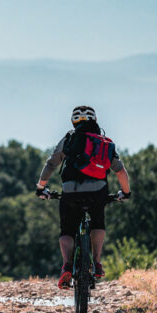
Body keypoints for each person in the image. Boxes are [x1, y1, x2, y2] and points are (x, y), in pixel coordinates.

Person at [35, 105, 131, 289]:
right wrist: (126, 193)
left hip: (70, 192)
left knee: (67, 230)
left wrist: (41, 188)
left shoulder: (69, 139)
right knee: (97, 223)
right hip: (98, 191)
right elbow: (120, 171)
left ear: (73, 121)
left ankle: (67, 265)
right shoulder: (103, 142)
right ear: (95, 120)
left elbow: (51, 164)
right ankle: (96, 263)